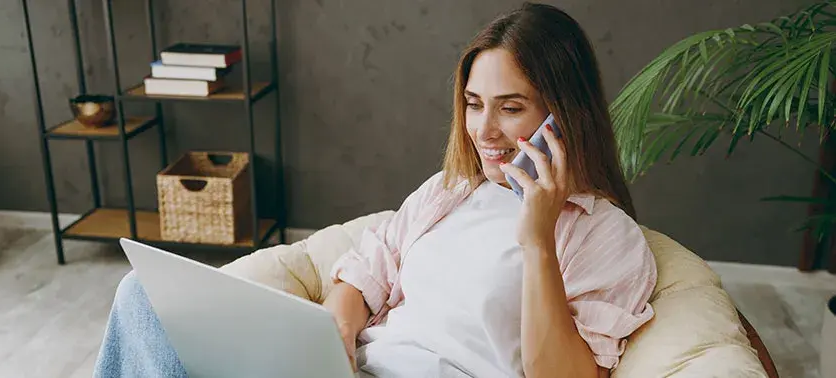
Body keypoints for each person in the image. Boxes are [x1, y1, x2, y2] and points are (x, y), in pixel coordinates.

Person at [92, 2, 657, 378]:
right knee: (138, 296)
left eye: (511, 108)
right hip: (355, 369)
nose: (483, 131)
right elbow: (363, 273)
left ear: (565, 115)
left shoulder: (606, 236)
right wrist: (334, 334)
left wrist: (537, 239)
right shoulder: (450, 191)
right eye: (473, 104)